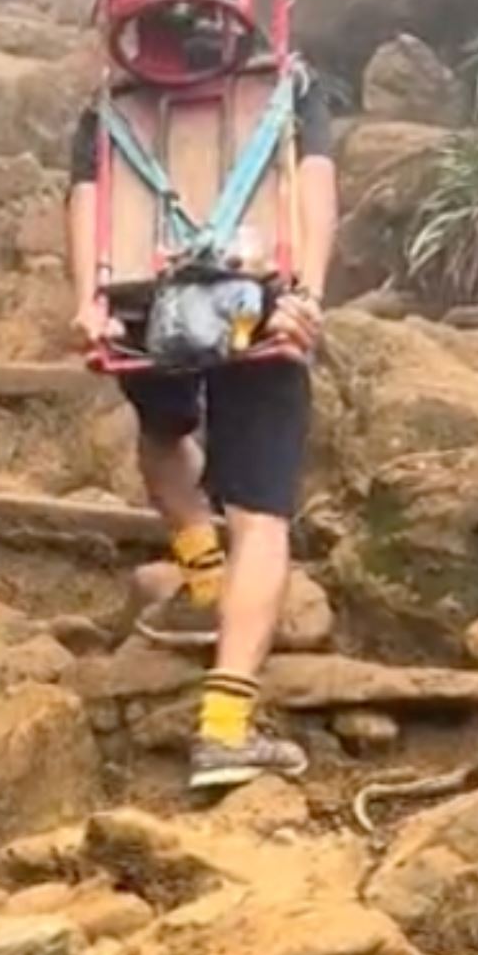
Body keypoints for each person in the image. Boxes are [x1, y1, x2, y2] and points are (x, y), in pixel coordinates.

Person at [63, 65, 338, 791]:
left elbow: (87, 198)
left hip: (140, 302)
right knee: (260, 510)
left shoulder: (111, 98)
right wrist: (306, 292)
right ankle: (223, 728)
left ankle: (202, 582)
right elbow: (311, 184)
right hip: (262, 303)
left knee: (161, 435)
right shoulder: (287, 78)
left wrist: (89, 302)